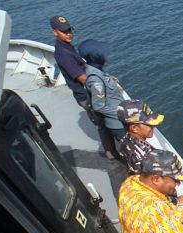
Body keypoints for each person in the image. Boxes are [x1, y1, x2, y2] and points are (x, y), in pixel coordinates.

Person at [50, 15, 118, 159]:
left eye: (69, 30)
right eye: (64, 31)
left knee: (104, 123)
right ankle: (111, 153)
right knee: (104, 122)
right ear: (55, 32)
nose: (69, 34)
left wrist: (105, 77)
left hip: (89, 92)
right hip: (86, 96)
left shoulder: (67, 47)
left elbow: (84, 66)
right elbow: (83, 78)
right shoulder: (63, 54)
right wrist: (106, 83)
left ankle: (111, 151)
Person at [78, 39, 126, 141]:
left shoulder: (96, 70)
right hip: (118, 123)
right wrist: (121, 114)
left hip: (120, 119)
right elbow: (99, 106)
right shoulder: (95, 79)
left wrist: (109, 79)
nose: (106, 57)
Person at [117, 99, 164, 174]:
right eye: (149, 124)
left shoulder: (125, 139)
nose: (153, 126)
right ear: (134, 128)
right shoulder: (146, 157)